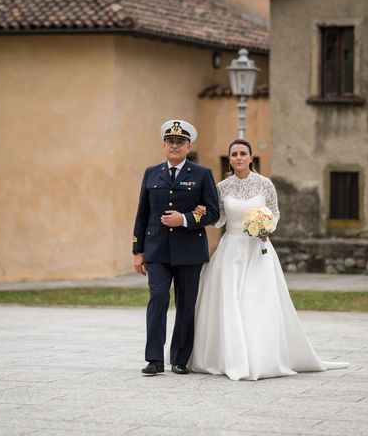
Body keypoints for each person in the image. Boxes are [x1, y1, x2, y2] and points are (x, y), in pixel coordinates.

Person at [189, 139, 348, 381]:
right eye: (234, 154)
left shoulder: (265, 184)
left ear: (251, 157)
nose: (239, 157)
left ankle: (261, 357)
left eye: (243, 153)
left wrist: (265, 227)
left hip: (258, 249)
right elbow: (219, 219)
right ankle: (230, 357)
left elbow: (274, 214)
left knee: (257, 301)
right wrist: (201, 213)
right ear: (230, 159)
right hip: (230, 249)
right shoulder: (221, 187)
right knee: (230, 300)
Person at [132, 120, 220, 375]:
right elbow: (142, 213)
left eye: (180, 142)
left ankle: (180, 359)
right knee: (158, 298)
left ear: (188, 146)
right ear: (164, 145)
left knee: (185, 304)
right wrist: (138, 251)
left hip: (189, 250)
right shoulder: (151, 173)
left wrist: (183, 219)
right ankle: (154, 359)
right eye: (170, 141)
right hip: (157, 249)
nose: (174, 146)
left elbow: (213, 213)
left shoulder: (201, 174)